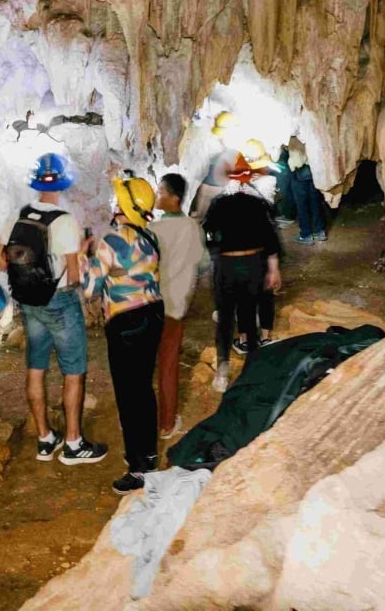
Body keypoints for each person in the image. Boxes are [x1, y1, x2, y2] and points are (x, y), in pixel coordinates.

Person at [0, 152, 108, 465]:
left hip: (28, 302)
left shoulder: (18, 215)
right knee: (74, 372)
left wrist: (26, 271)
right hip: (60, 302)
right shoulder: (64, 221)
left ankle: (45, 439)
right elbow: (74, 275)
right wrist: (81, 254)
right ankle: (73, 444)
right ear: (63, 183)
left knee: (36, 367)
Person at [82, 175, 167, 494]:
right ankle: (149, 456)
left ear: (125, 207)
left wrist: (84, 256)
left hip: (126, 321)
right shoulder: (149, 235)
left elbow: (90, 288)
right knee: (143, 388)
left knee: (129, 395)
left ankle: (138, 468)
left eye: (119, 200)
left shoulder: (113, 239)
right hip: (153, 313)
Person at [202, 154, 282, 392]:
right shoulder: (257, 203)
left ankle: (223, 372)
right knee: (248, 315)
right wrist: (273, 268)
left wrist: (215, 255)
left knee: (226, 320)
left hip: (227, 266)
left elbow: (208, 235)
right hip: (253, 264)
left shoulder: (218, 204)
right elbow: (270, 238)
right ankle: (252, 371)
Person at [146, 173, 209, 440]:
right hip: (175, 306)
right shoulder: (192, 228)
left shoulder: (152, 229)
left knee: (144, 366)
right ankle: (167, 423)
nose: (156, 195)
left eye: (161, 191)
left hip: (149, 304)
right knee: (168, 365)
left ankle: (140, 420)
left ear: (174, 197)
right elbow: (202, 263)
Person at [287, 136, 327, 244]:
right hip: (314, 167)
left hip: (300, 167)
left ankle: (306, 235)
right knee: (315, 201)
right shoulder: (312, 129)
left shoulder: (293, 132)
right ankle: (320, 232)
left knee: (302, 204)